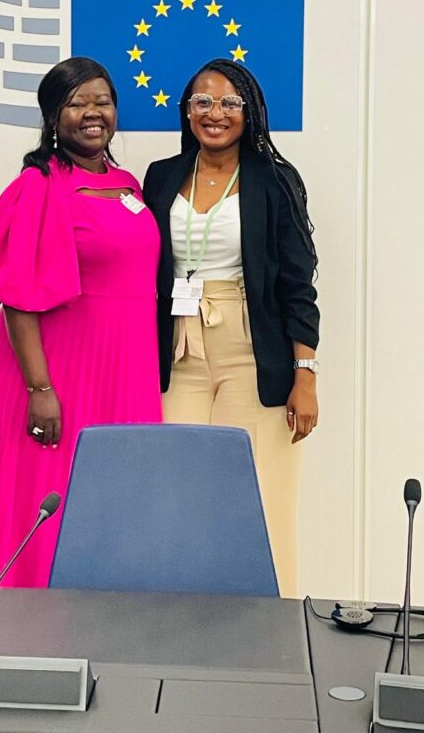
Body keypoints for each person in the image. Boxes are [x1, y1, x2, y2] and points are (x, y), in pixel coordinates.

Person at [0, 57, 162, 587]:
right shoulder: (38, 186)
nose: (93, 113)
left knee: (114, 508)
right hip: (56, 376)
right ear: (54, 116)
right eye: (77, 103)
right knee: (44, 507)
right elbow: (17, 299)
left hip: (124, 373)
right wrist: (41, 388)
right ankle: (28, 636)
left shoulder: (127, 185)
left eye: (103, 101)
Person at [142, 58, 319, 596]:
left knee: (261, 496)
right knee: (179, 490)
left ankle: (273, 625)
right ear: (186, 111)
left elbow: (298, 282)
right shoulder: (162, 176)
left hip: (251, 348)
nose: (214, 113)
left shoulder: (274, 180)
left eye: (228, 103)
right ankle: (185, 623)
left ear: (250, 111)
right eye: (202, 102)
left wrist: (304, 374)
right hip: (179, 350)